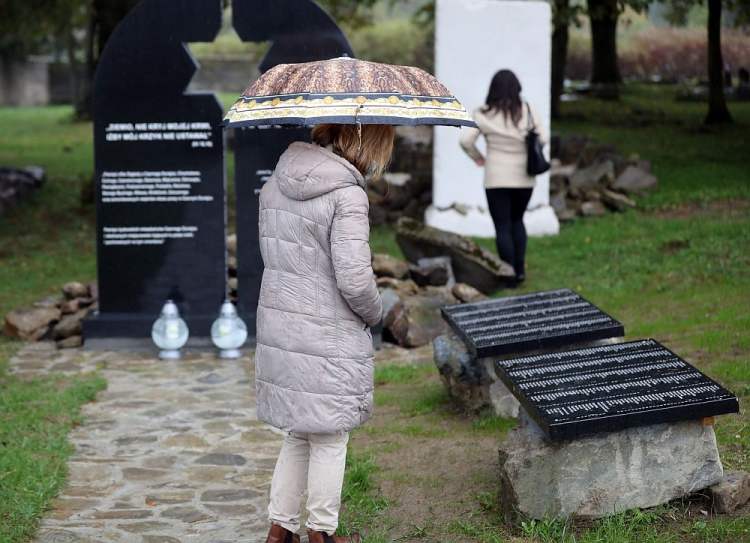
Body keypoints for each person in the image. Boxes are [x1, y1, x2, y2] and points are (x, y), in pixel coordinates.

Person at [257, 123, 393, 543]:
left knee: (300, 432)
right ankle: (321, 533)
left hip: (282, 324)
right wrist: (375, 312)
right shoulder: (347, 194)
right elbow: (353, 280)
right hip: (328, 332)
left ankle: (279, 530)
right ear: (365, 142)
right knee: (331, 436)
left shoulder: (276, 183)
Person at [459, 69, 548, 287]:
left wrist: (479, 158)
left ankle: (507, 277)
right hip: (524, 178)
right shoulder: (529, 110)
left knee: (502, 227)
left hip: (496, 178)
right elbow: (543, 139)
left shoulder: (482, 113)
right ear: (517, 88)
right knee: (518, 221)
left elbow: (465, 141)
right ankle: (519, 272)